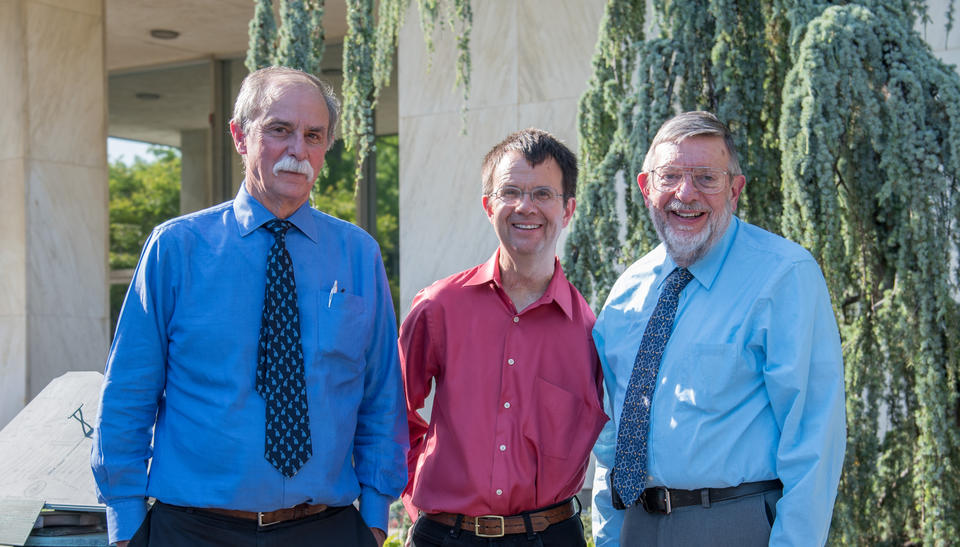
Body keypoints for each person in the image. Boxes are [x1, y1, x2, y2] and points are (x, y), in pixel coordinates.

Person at [91, 66, 407, 547]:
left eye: (313, 135)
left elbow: (381, 395)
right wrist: (128, 527)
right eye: (280, 130)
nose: (298, 150)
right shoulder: (175, 249)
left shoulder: (358, 255)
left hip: (328, 531)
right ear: (240, 136)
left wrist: (377, 517)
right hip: (193, 531)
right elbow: (129, 395)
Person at [591, 111, 846, 546]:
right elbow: (611, 439)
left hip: (735, 524)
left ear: (735, 189)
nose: (685, 194)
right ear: (645, 187)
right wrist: (610, 539)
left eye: (706, 177)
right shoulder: (626, 293)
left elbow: (813, 439)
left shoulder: (784, 276)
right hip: (637, 526)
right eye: (669, 176)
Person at [399, 128, 608, 546]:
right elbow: (391, 413)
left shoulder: (591, 331)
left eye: (542, 194)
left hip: (551, 535)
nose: (524, 207)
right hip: (445, 535)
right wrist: (419, 491)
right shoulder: (438, 306)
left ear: (567, 210)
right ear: (487, 205)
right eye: (509, 191)